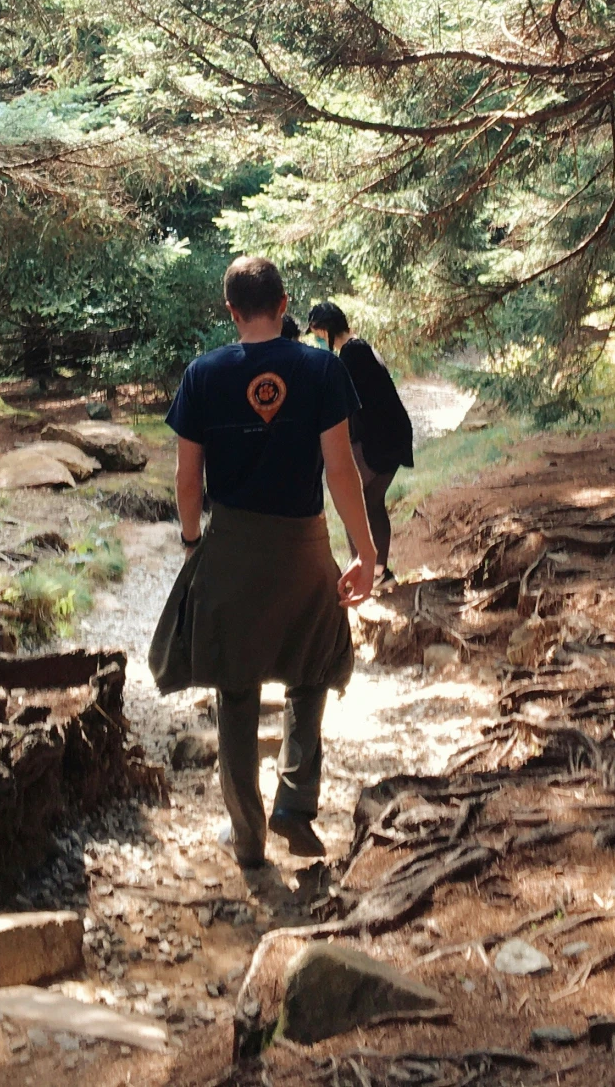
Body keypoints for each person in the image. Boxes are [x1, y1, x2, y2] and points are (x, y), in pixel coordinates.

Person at [148, 256, 380, 869]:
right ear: (284, 307)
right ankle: (296, 803)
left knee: (237, 686)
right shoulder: (321, 368)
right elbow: (339, 470)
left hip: (232, 550)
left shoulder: (203, 374)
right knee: (315, 665)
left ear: (232, 310)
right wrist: (363, 551)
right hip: (304, 547)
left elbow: (187, 476)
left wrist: (194, 542)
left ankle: (247, 837)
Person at [306, 301, 415, 584]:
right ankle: (378, 571)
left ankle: (363, 571)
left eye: (317, 332)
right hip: (392, 438)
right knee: (371, 502)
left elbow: (347, 408)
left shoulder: (352, 355)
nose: (316, 339)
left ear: (327, 329)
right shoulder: (358, 348)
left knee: (351, 502)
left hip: (381, 442)